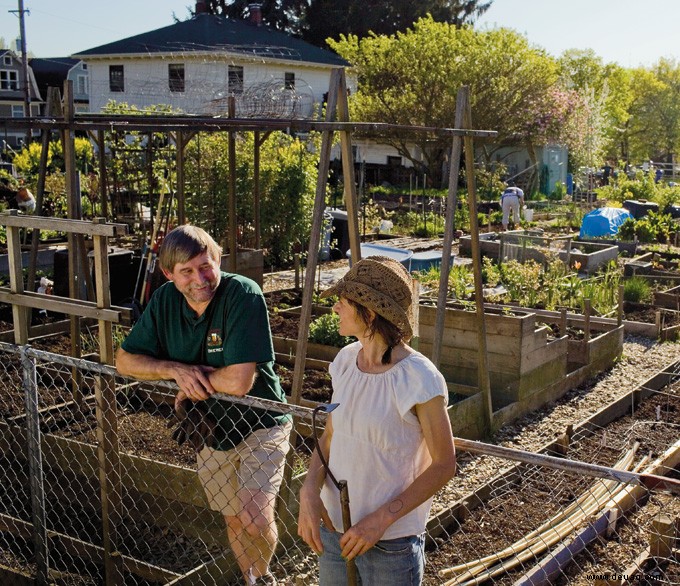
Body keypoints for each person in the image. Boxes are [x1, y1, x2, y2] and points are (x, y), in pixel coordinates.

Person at [116, 224, 291, 586]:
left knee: (255, 516)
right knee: (233, 518)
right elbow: (124, 361)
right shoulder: (165, 300)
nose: (200, 278)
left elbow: (240, 381)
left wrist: (193, 384)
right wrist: (174, 370)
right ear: (169, 274)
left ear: (218, 258)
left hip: (261, 421)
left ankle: (265, 577)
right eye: (187, 271)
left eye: (205, 265)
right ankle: (251, 579)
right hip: (210, 428)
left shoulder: (242, 294)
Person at [298, 256, 456, 585]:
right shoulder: (343, 362)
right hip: (336, 534)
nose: (335, 309)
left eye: (343, 302)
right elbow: (329, 437)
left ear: (369, 312)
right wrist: (309, 491)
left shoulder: (419, 378)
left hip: (391, 546)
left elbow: (444, 464)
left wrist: (380, 520)